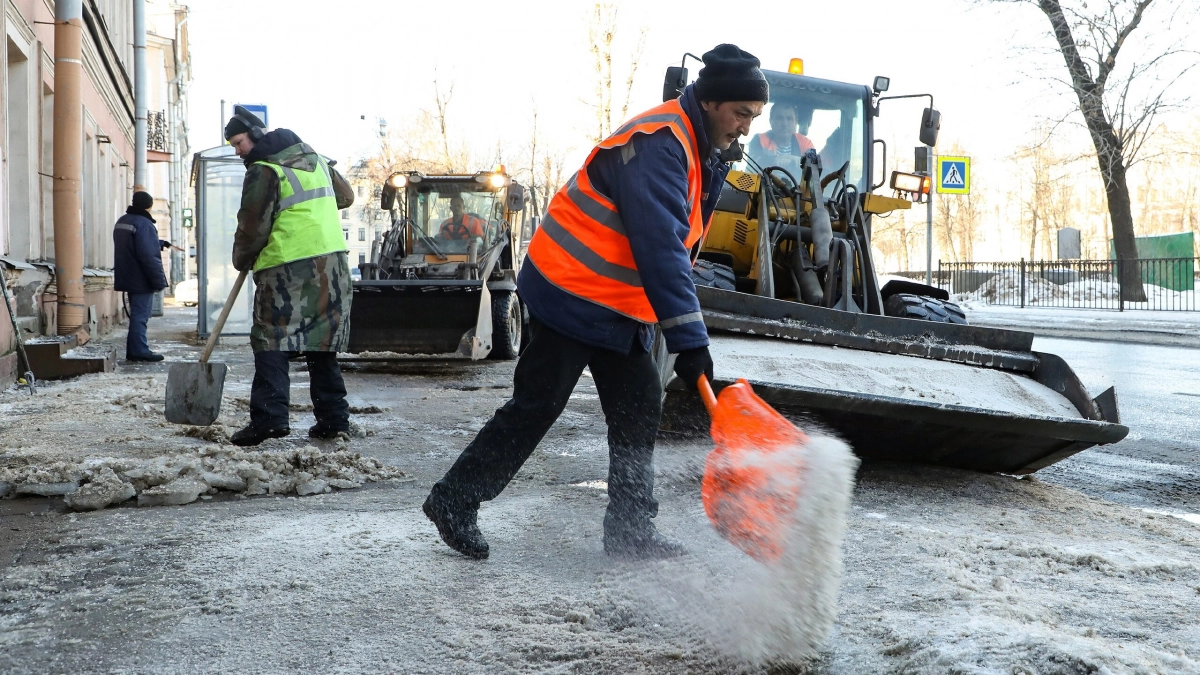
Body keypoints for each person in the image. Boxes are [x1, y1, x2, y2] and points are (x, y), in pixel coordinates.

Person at [422, 44, 768, 560]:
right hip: (570, 292)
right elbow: (660, 248)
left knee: (638, 409)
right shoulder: (659, 143)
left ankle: (630, 531)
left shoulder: (697, 145)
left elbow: (674, 244)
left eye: (753, 119)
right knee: (537, 404)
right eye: (741, 115)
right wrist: (689, 340)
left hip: (617, 305)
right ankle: (454, 500)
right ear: (713, 102)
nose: (745, 128)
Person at [224, 105, 357, 447]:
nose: (237, 150)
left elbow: (253, 224)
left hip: (288, 267)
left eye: (238, 142)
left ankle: (269, 420)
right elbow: (346, 197)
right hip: (333, 264)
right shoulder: (316, 160)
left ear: (254, 135)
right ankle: (334, 420)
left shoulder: (263, 169)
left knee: (271, 340)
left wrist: (241, 258)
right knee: (322, 343)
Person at [113, 191, 169, 362]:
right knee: (140, 316)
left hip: (127, 274)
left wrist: (158, 243)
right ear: (149, 206)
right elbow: (148, 255)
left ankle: (136, 349)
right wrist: (159, 281)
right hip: (141, 278)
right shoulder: (144, 224)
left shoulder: (123, 221)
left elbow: (133, 245)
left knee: (136, 314)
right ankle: (138, 350)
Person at [746, 102, 814, 170]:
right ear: (771, 122)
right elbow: (752, 164)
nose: (784, 124)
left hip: (796, 181)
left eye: (789, 119)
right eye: (780, 118)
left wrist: (794, 159)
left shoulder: (806, 143)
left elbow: (815, 170)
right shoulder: (759, 139)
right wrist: (776, 159)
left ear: (795, 123)